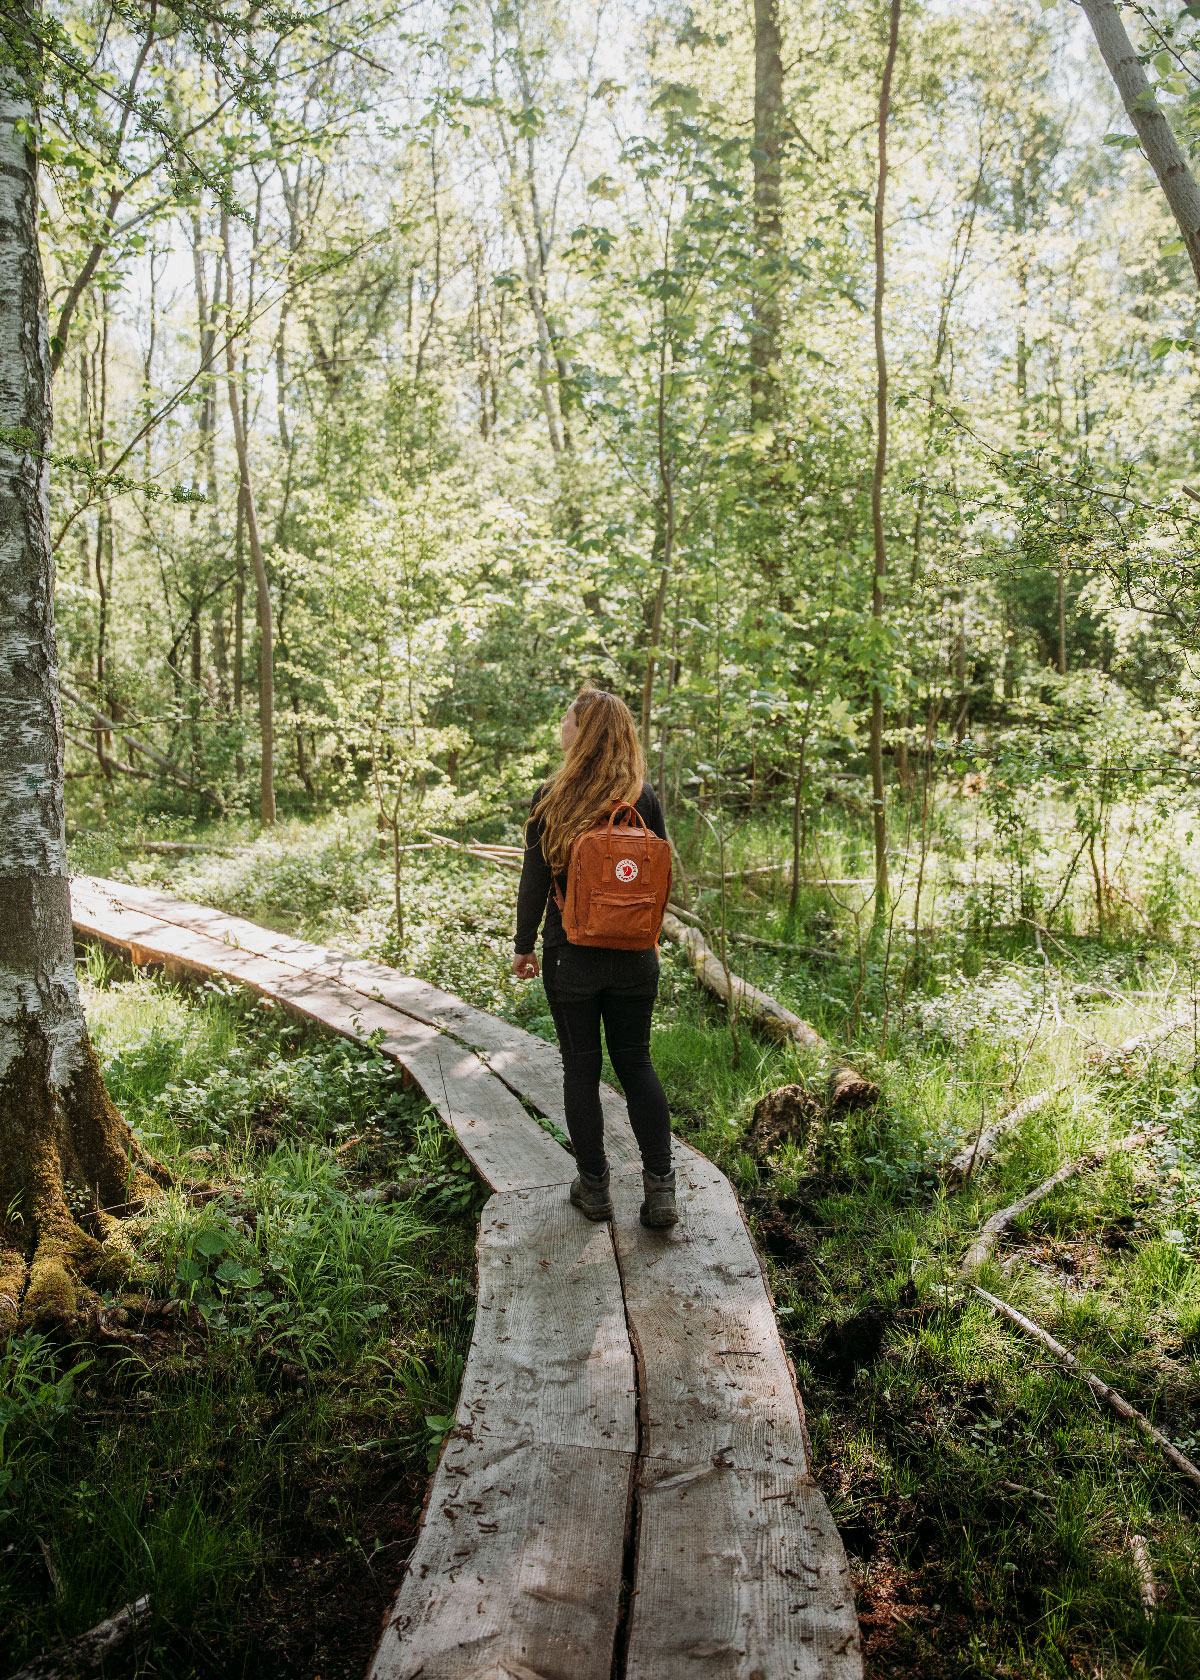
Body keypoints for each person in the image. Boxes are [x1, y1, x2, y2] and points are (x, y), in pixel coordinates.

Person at [512, 688, 678, 1228]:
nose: (561, 724)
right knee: (636, 1061)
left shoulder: (552, 797)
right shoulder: (642, 796)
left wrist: (524, 945)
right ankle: (661, 1190)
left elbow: (533, 882)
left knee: (581, 1070)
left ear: (583, 734)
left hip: (572, 958)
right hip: (635, 956)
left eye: (568, 718)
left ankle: (595, 1187)